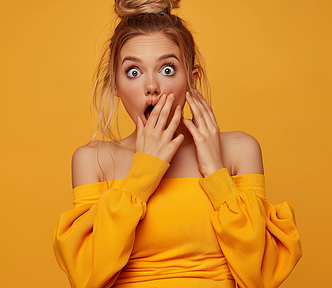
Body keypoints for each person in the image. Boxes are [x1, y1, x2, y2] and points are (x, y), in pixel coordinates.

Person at [53, 0, 302, 287]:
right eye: (133, 72)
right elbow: (88, 279)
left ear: (191, 79)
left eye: (167, 70)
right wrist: (143, 175)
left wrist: (216, 174)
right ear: (116, 86)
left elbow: (261, 276)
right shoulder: (93, 160)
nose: (152, 86)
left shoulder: (237, 150)